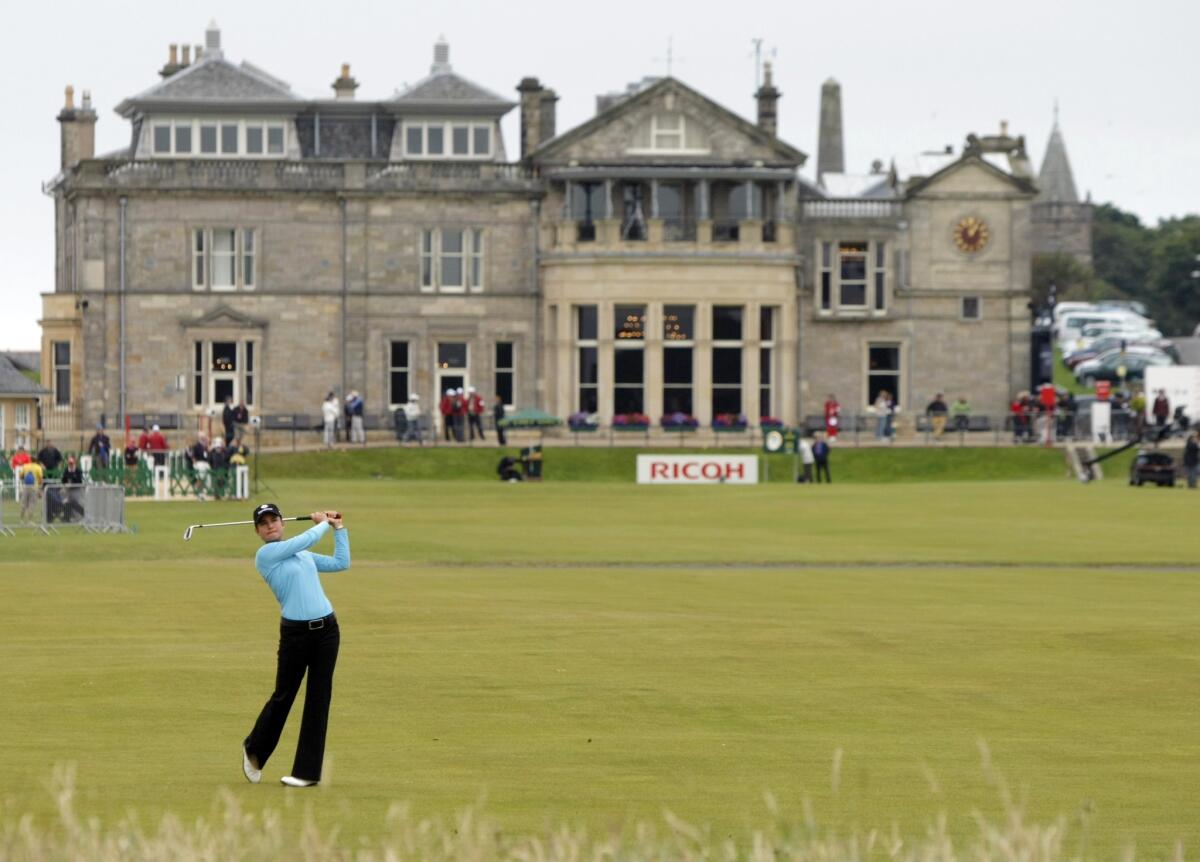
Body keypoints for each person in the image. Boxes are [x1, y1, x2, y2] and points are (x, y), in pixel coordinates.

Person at [242, 504, 350, 788]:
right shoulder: (266, 555)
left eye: (273, 520)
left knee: (319, 698)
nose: (269, 525)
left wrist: (339, 529)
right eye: (263, 523)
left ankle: (306, 772)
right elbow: (306, 539)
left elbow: (341, 563)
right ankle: (254, 751)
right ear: (257, 531)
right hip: (296, 635)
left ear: (282, 522)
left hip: (327, 630)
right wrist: (322, 523)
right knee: (284, 695)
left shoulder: (302, 555)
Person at [59, 455, 85, 523]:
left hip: (76, 489)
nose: (70, 465)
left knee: (77, 503)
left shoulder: (78, 470)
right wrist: (66, 484)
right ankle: (68, 517)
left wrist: (72, 482)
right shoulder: (66, 470)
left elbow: (79, 480)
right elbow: (63, 479)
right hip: (68, 490)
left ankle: (80, 516)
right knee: (67, 503)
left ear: (74, 463)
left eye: (71, 463)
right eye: (69, 463)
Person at [19, 455, 43, 523]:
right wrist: (40, 488)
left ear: (30, 460)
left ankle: (21, 519)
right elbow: (41, 479)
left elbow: (21, 476)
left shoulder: (25, 466)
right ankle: (30, 520)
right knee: (32, 504)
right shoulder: (38, 467)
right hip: (34, 487)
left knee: (23, 503)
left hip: (26, 487)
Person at [188, 432, 211, 500]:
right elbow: (193, 456)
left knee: (206, 479)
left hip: (206, 463)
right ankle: (199, 494)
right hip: (200, 464)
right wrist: (195, 463)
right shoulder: (196, 446)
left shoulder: (205, 446)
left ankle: (203, 493)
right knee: (200, 478)